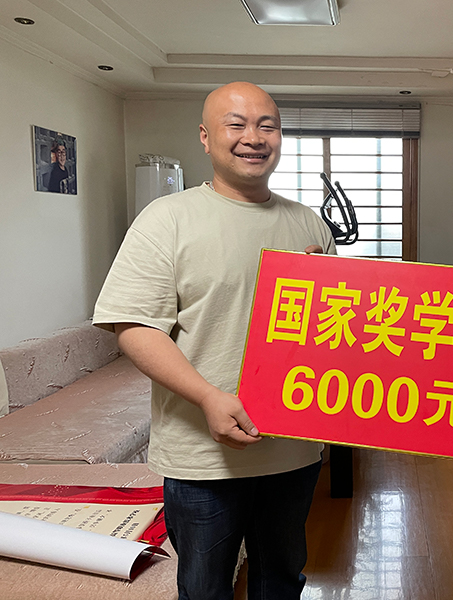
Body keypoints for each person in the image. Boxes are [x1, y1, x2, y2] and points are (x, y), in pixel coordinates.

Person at [93, 81, 336, 600]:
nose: (254, 137)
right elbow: (133, 327)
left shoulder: (308, 224)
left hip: (292, 451)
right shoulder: (166, 218)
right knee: (204, 589)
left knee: (282, 580)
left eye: (267, 126)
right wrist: (207, 396)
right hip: (200, 457)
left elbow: (339, 332)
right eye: (236, 124)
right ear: (205, 137)